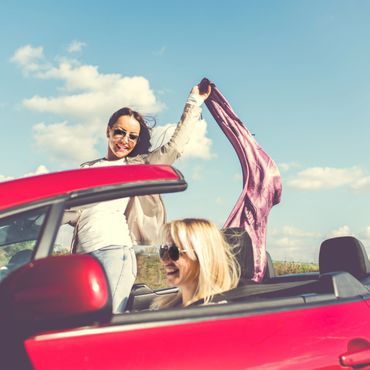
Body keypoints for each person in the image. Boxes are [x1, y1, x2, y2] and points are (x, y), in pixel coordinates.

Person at [72, 84, 211, 313]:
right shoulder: (86, 169)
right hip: (82, 258)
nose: (124, 140)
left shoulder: (136, 167)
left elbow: (174, 147)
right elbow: (71, 211)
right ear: (108, 131)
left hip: (114, 253)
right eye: (119, 132)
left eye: (132, 137)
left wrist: (194, 101)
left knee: (107, 323)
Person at [151, 218, 240, 309]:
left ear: (202, 257)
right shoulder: (164, 306)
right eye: (163, 250)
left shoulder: (216, 313)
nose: (164, 260)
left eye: (174, 251)